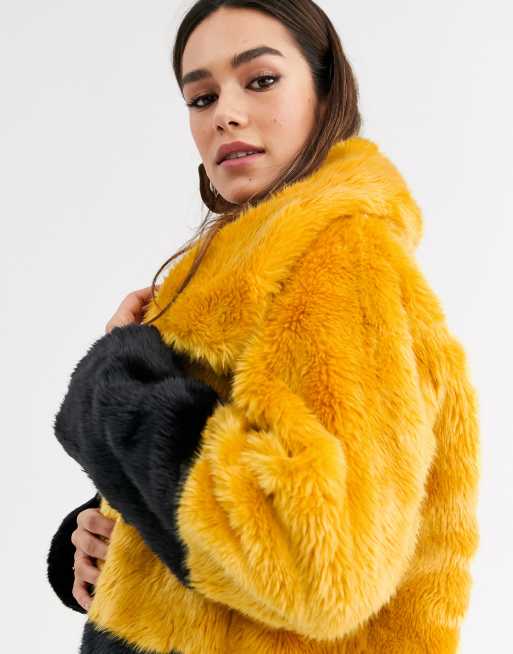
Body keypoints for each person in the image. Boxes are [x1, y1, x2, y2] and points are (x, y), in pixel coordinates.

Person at [46, 1, 481, 653]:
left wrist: (116, 391)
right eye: (201, 96)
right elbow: (242, 495)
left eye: (260, 80)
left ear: (326, 91)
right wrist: (100, 534)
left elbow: (322, 568)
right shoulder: (244, 269)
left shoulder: (340, 258)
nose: (225, 112)